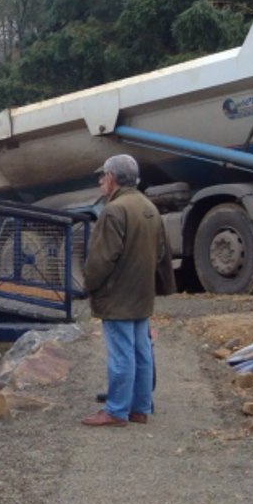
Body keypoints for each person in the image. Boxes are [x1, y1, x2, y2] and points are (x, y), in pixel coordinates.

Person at [81, 154, 166, 427]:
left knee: (121, 354)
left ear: (113, 178)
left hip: (117, 294)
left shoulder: (115, 210)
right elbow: (162, 251)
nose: (100, 181)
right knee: (141, 351)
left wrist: (89, 286)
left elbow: (102, 258)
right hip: (142, 292)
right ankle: (139, 408)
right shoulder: (148, 206)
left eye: (103, 176)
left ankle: (116, 410)